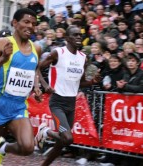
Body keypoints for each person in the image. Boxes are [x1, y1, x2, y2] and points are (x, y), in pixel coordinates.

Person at [0, 8, 42, 166]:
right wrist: (3, 59)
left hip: (18, 106)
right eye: (26, 22)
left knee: (28, 147)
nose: (30, 26)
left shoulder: (37, 49)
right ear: (15, 23)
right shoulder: (2, 43)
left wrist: (37, 86)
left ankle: (4, 147)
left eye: (33, 24)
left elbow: (34, 69)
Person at [35, 25, 100, 166]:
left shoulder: (83, 58)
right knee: (68, 138)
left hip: (71, 103)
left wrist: (92, 82)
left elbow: (80, 83)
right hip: (57, 102)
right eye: (75, 35)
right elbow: (37, 68)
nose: (78, 37)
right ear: (67, 39)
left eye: (80, 35)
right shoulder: (57, 53)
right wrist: (45, 85)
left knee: (62, 142)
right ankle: (45, 131)